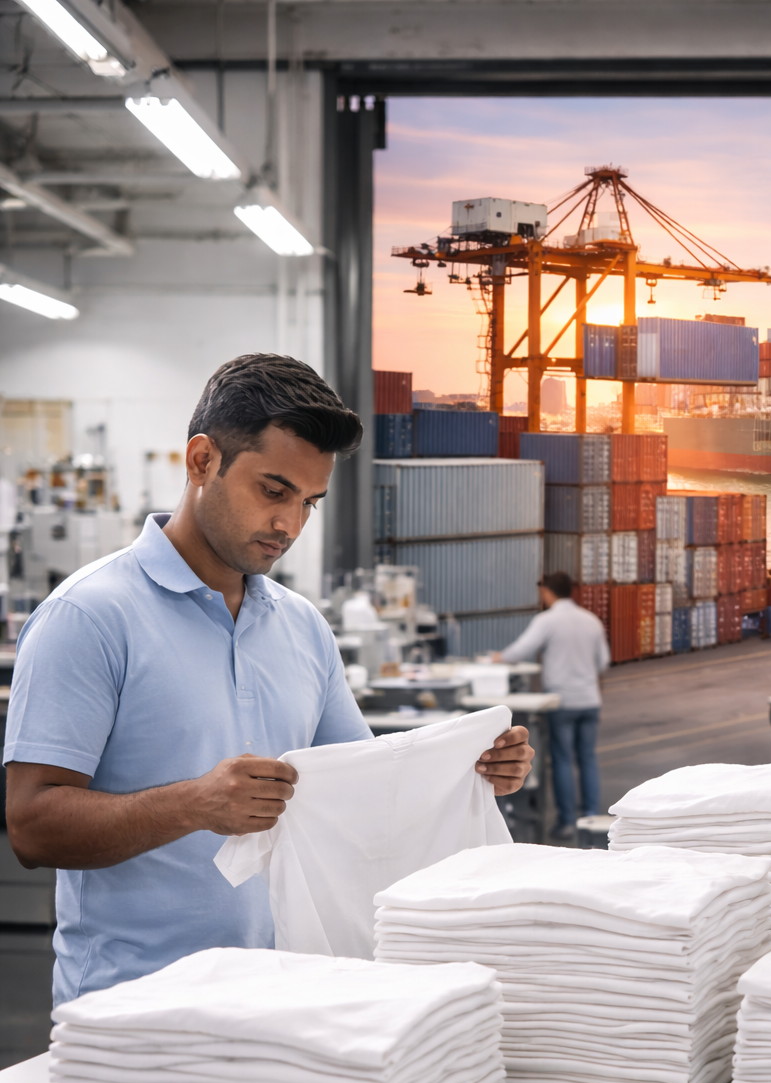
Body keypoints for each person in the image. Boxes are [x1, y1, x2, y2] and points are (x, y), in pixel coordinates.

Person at [4, 354, 533, 1003]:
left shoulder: (302, 628)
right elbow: (30, 825)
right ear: (202, 461)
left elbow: (365, 791)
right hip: (134, 1015)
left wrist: (465, 770)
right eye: (273, 490)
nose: (290, 525)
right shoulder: (88, 617)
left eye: (309, 503)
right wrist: (195, 804)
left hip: (280, 1004)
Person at [496, 571, 610, 839]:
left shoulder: (547, 620)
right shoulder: (591, 620)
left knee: (561, 760)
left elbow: (521, 651)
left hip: (562, 701)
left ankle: (567, 822)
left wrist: (497, 659)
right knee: (587, 758)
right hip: (590, 700)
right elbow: (603, 662)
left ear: (547, 592)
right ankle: (591, 818)